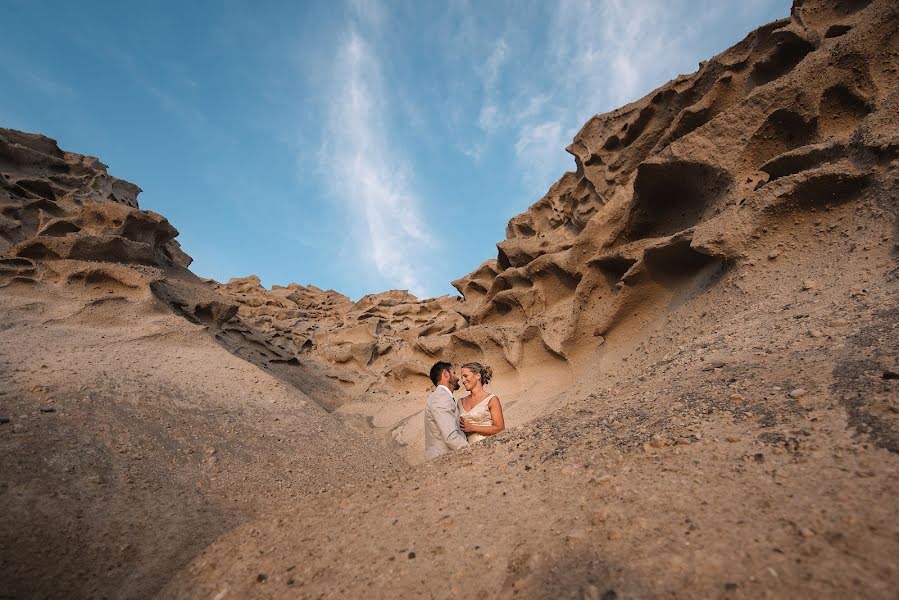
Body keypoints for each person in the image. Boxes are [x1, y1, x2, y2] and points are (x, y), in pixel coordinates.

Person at [424, 361, 469, 460]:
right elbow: (451, 437)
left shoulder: (441, 396)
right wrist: (474, 451)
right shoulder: (440, 397)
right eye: (454, 373)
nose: (458, 378)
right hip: (444, 460)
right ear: (445, 373)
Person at [458, 362, 505, 443]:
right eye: (462, 378)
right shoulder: (460, 402)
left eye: (465, 376)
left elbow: (500, 428)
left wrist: (472, 428)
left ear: (478, 376)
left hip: (489, 445)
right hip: (467, 449)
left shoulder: (492, 399)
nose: (463, 380)